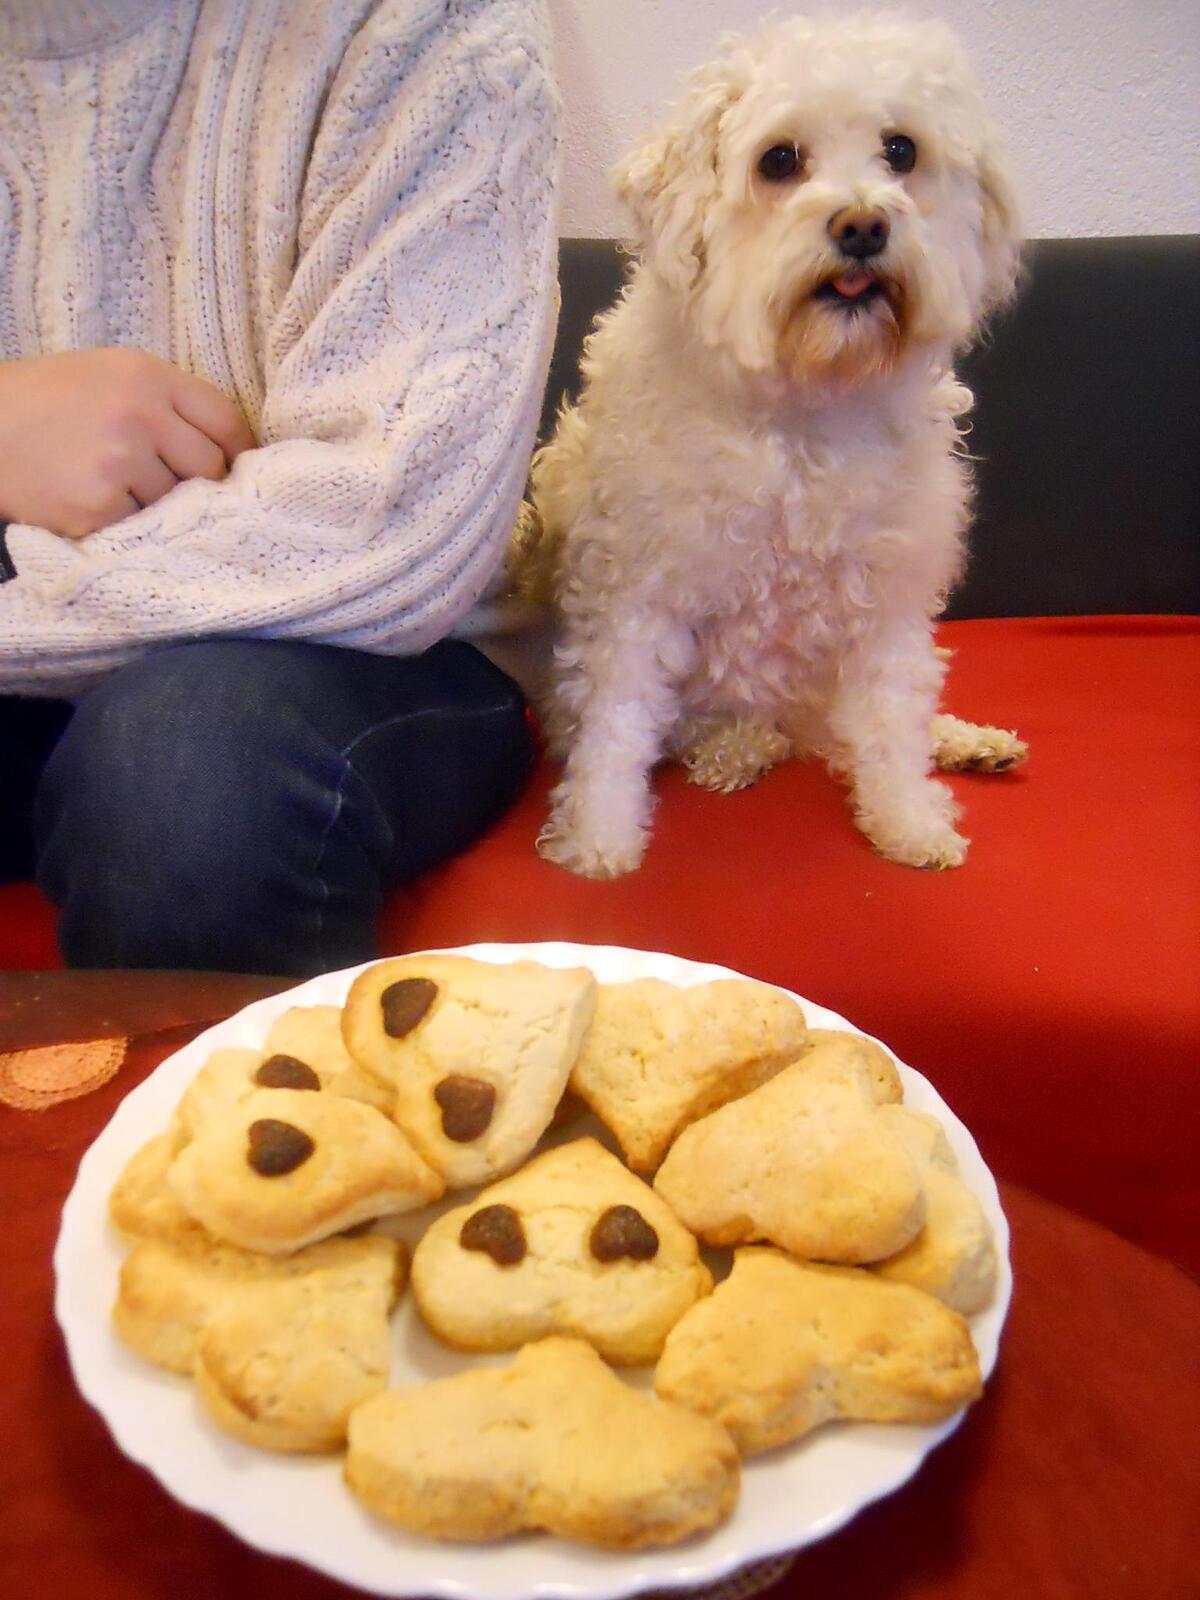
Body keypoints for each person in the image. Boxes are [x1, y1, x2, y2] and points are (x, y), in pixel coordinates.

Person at [0, 0, 559, 975]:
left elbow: (388, 525)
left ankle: (245, 1128)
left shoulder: (414, 24)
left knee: (186, 771)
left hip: (358, 645)